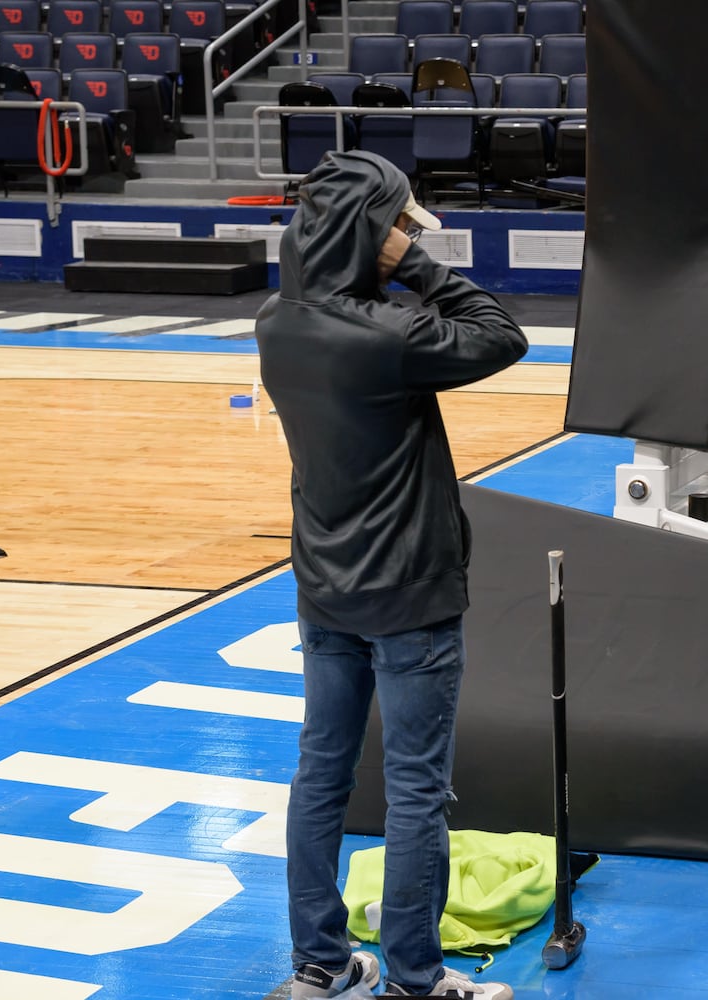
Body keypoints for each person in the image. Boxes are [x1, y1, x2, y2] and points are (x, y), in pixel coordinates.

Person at [256, 150, 528, 999]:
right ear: (378, 234)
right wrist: (413, 264)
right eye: (404, 224)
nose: (415, 238)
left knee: (321, 774)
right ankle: (416, 980)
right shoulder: (389, 335)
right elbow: (501, 334)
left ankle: (321, 965)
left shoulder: (276, 321)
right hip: (409, 594)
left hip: (323, 587)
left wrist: (377, 248)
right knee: (415, 789)